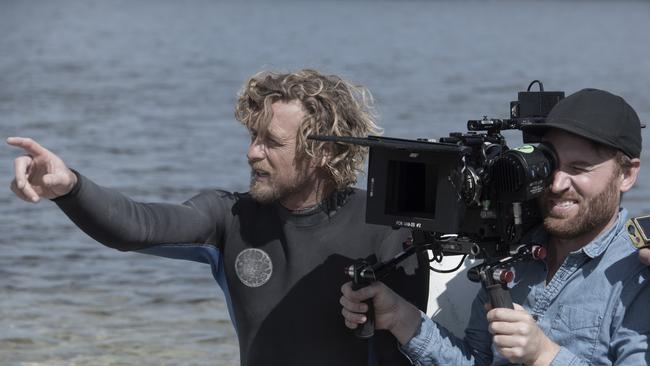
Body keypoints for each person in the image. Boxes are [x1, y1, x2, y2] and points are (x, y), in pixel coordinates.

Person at [8, 69, 429, 366]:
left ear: (321, 151)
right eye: (252, 138)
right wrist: (70, 187)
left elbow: (433, 347)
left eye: (271, 142)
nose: (252, 153)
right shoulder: (229, 218)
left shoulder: (387, 228)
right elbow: (137, 226)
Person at [341, 88, 650, 365]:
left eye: (579, 168)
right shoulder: (512, 252)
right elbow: (477, 360)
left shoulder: (638, 273)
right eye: (551, 165)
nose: (556, 184)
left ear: (627, 175)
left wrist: (545, 356)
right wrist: (399, 316)